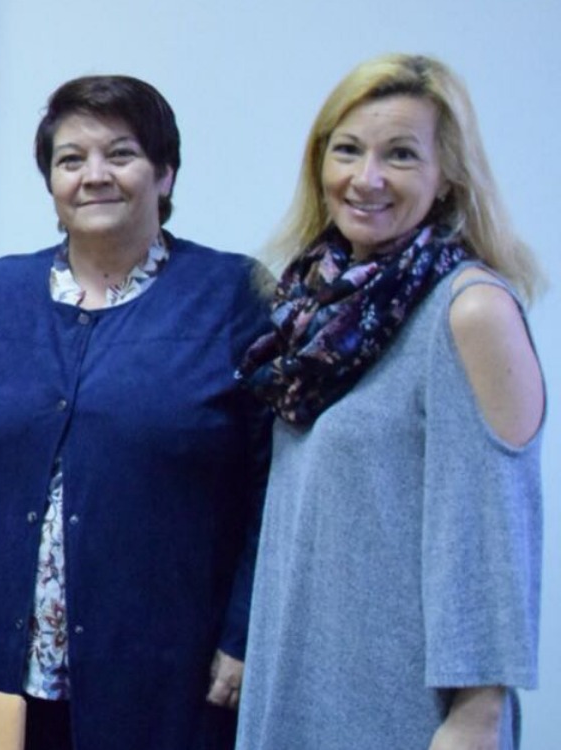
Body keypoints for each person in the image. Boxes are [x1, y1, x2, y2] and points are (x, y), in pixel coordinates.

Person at [0, 76, 269, 750]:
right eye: (71, 160)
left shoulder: (232, 297)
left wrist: (246, 635)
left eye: (121, 154)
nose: (94, 176)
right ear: (51, 182)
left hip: (164, 670)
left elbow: (275, 486)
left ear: (165, 173)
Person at [236, 54, 544, 750]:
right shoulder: (309, 311)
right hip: (298, 685)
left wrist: (477, 717)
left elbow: (492, 535)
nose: (366, 178)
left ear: (448, 176)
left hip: (400, 710)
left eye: (401, 155)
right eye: (348, 150)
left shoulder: (468, 311)